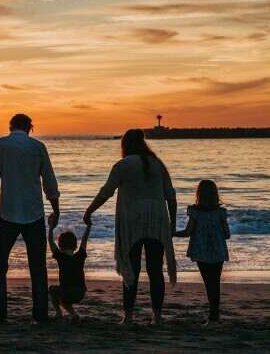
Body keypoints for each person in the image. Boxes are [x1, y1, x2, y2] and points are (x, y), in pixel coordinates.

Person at [84, 129, 177, 326]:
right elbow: (171, 196)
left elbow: (105, 192)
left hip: (132, 222)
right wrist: (172, 224)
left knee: (130, 269)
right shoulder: (158, 164)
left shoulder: (122, 165)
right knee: (155, 270)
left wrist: (89, 211)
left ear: (125, 145)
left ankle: (128, 317)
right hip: (156, 220)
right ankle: (157, 317)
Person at [0, 114, 59, 324]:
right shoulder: (38, 147)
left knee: (0, 265)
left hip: (8, 212)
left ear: (10, 126)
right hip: (33, 213)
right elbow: (49, 181)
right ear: (30, 128)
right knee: (38, 266)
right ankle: (40, 314)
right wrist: (56, 208)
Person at [174, 180, 229, 326]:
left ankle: (212, 318)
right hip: (217, 251)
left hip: (201, 251)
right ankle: (214, 316)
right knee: (215, 283)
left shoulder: (195, 212)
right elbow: (227, 234)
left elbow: (188, 232)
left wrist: (172, 233)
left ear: (199, 194)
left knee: (208, 283)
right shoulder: (221, 213)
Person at [48, 218, 91, 323]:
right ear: (76, 246)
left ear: (60, 247)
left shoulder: (60, 256)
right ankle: (73, 315)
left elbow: (50, 241)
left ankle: (59, 313)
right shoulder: (80, 255)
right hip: (80, 293)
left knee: (52, 290)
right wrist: (89, 225)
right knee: (62, 295)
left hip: (67, 293)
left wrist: (51, 227)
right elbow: (85, 239)